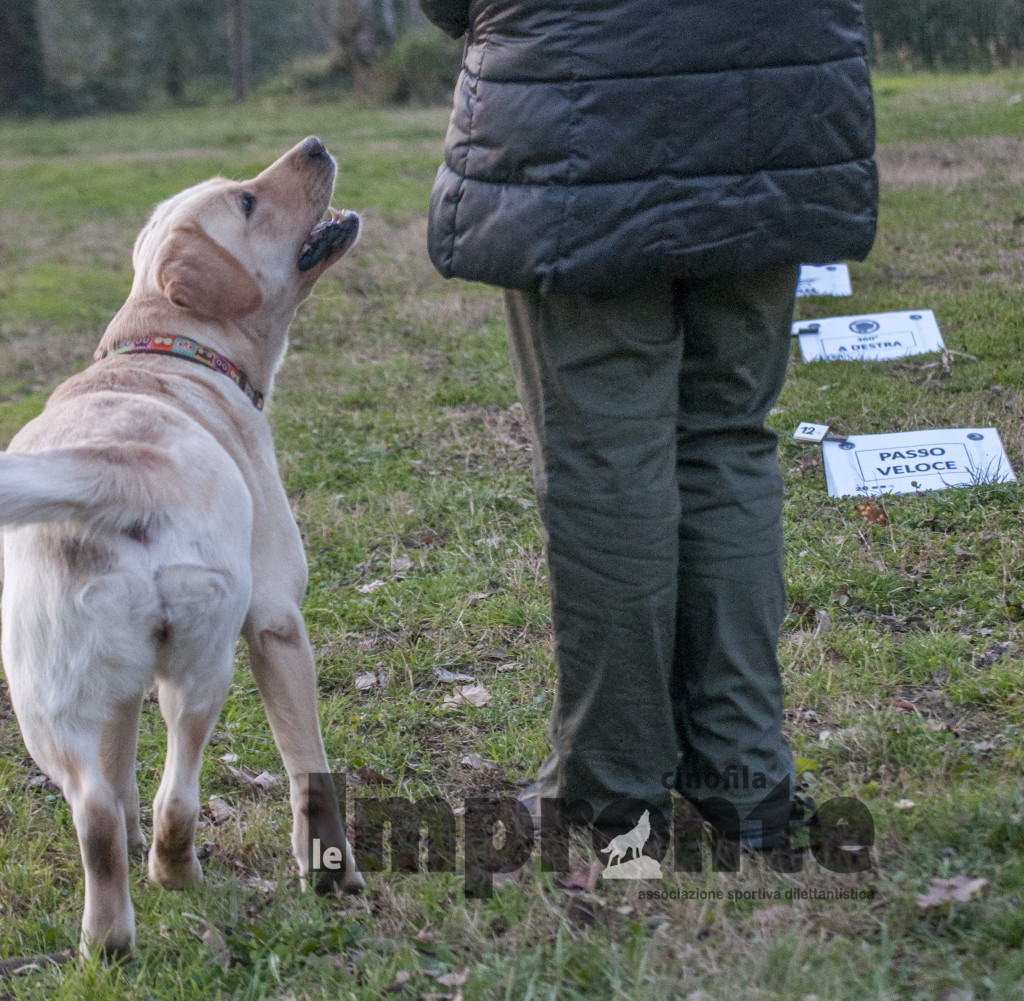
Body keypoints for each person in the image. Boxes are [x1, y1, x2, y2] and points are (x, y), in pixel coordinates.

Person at [418, 0, 877, 850]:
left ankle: (611, 794)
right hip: (776, 90)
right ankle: (745, 785)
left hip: (577, 104)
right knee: (730, 437)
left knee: (606, 462)